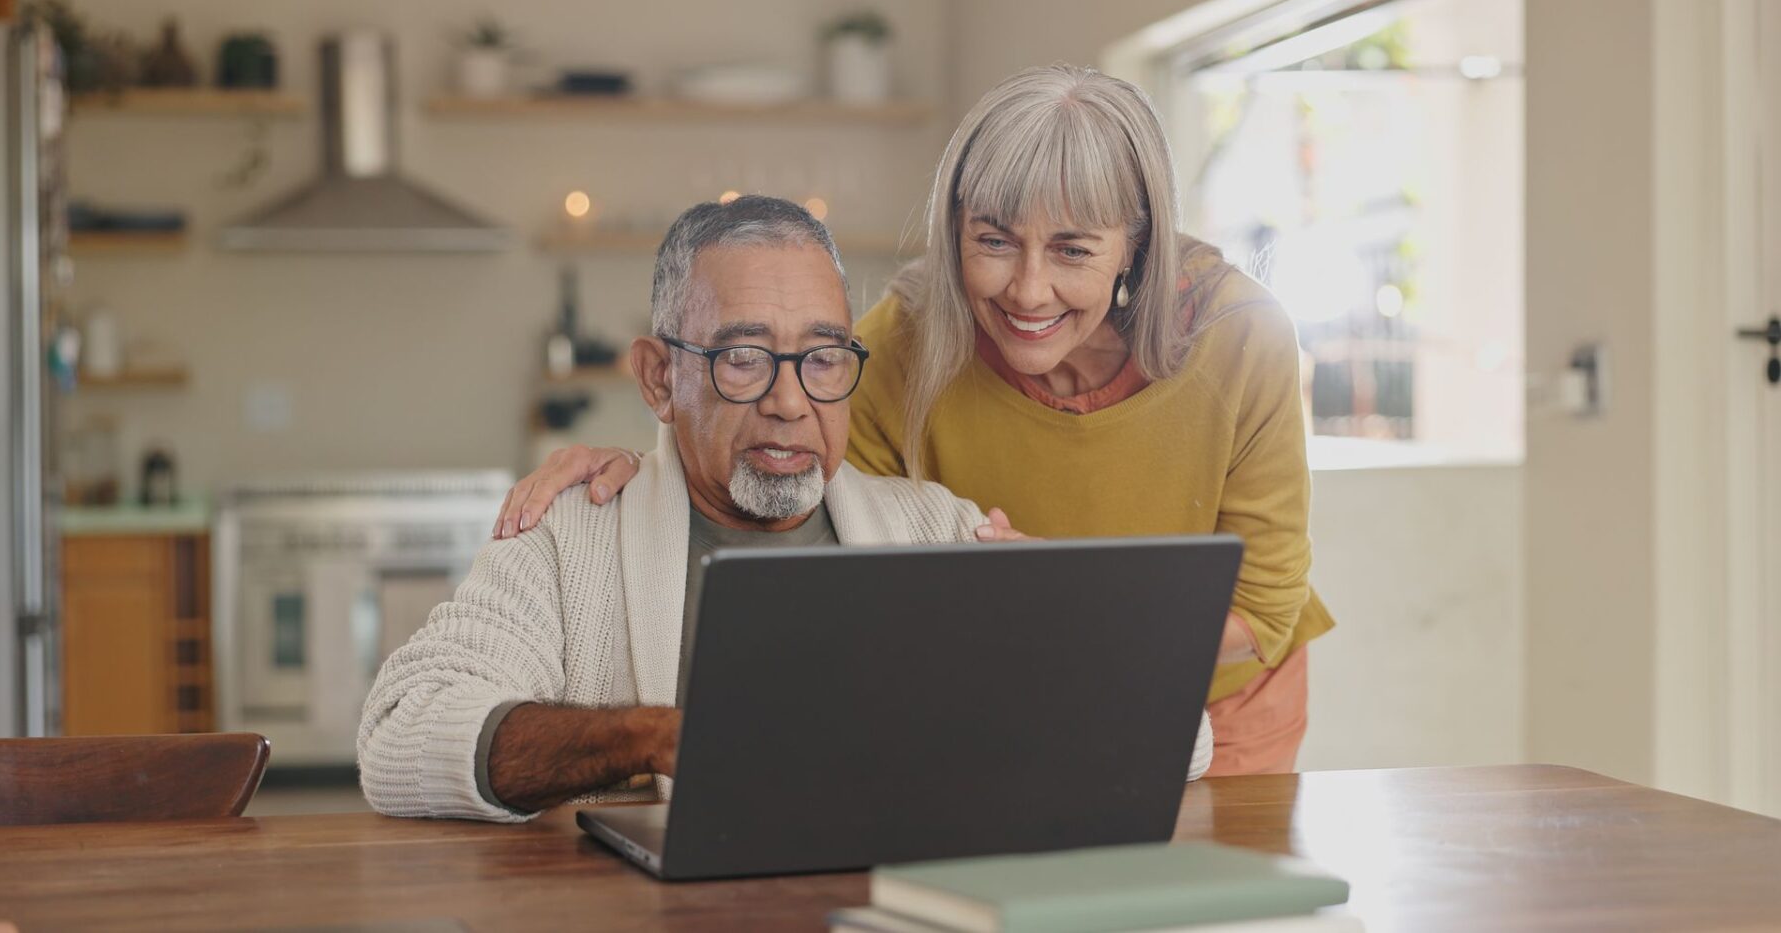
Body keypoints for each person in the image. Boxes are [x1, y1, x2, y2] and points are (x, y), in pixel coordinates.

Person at [492, 65, 1336, 778]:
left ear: (1136, 247)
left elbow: (1262, 608)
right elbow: (784, 469)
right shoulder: (898, 345)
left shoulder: (1241, 338)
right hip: (1029, 683)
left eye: (1074, 250)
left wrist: (1075, 600)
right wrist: (655, 459)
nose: (1028, 291)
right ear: (954, 227)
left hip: (1223, 699)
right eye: (994, 241)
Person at [358, 195, 1215, 822]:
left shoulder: (935, 531)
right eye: (742, 359)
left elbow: (1191, 742)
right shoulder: (569, 535)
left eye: (823, 358)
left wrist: (1067, 632)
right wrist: (652, 736)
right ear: (662, 377)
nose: (790, 402)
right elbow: (399, 738)